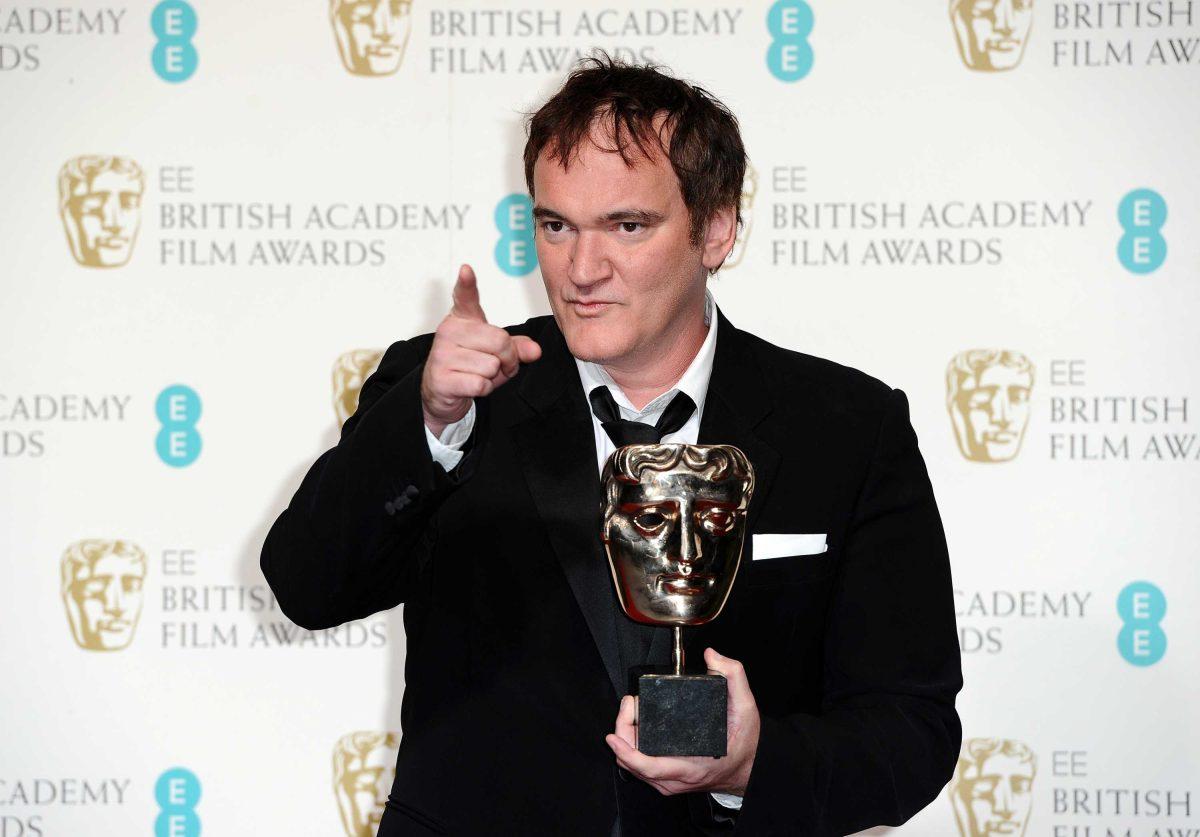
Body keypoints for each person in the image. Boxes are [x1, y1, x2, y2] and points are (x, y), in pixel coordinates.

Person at [261, 56, 963, 836]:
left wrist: (753, 764)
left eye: (627, 226)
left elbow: (913, 727)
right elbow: (305, 585)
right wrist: (431, 422)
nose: (580, 270)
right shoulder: (450, 394)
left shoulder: (847, 426)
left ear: (717, 227)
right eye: (555, 225)